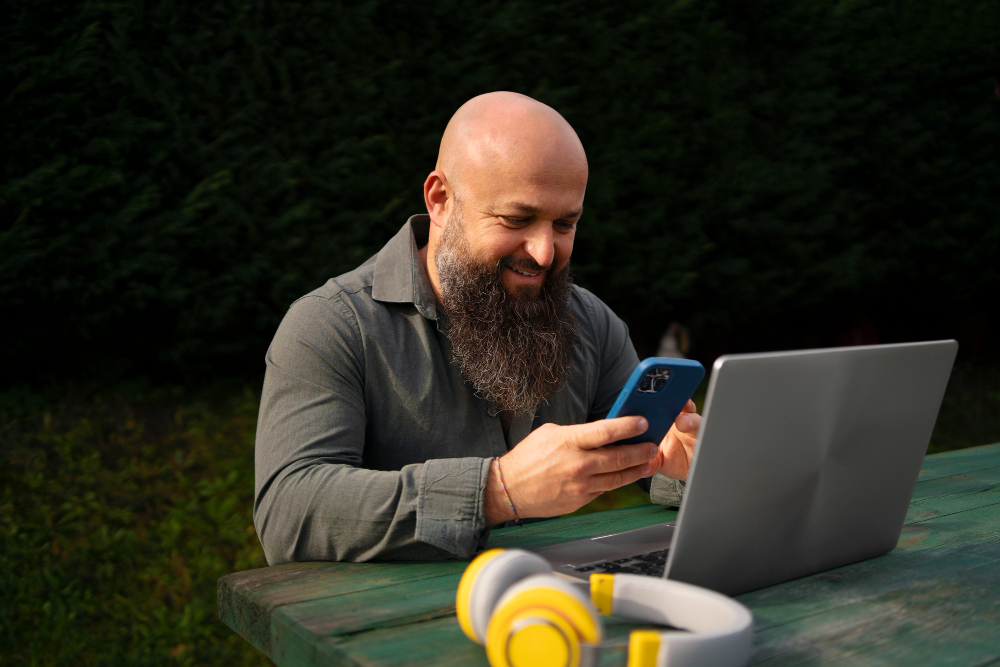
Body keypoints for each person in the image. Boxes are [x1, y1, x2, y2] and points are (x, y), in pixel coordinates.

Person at [253, 92, 702, 566]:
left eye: (564, 224)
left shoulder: (592, 322)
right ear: (440, 200)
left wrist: (680, 465)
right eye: (517, 219)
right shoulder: (331, 325)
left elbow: (641, 454)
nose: (544, 252)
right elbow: (289, 514)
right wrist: (498, 490)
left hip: (548, 604)